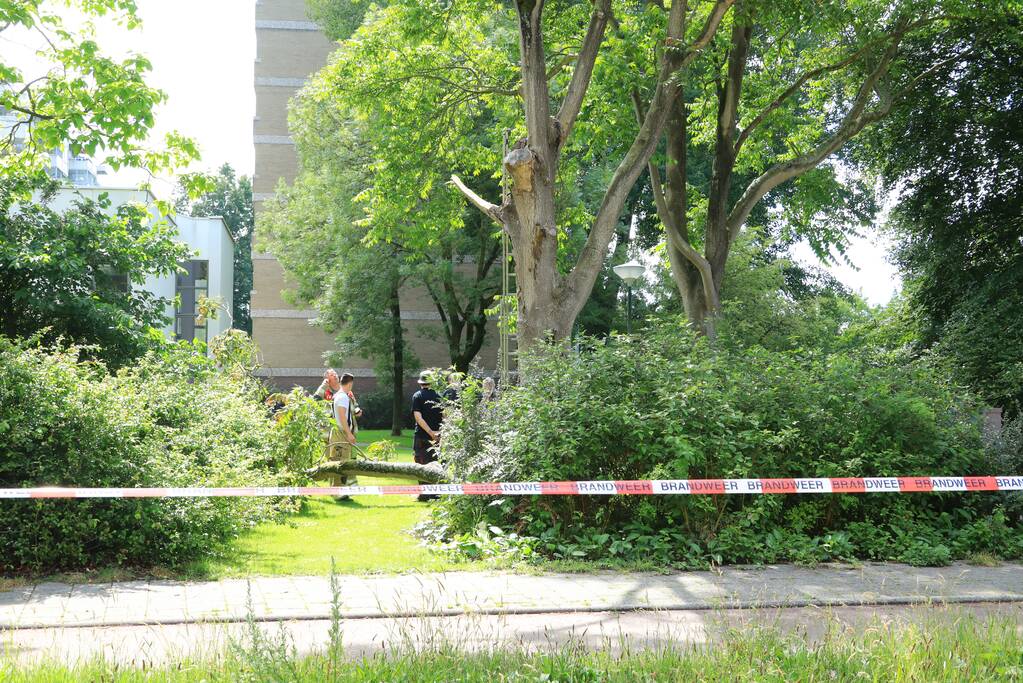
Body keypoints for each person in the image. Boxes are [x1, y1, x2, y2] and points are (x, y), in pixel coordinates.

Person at [325, 372, 359, 500]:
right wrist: (349, 434)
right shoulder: (343, 397)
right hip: (341, 433)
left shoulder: (337, 395)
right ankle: (338, 492)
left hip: (337, 432)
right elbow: (342, 416)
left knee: (336, 461)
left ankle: (337, 490)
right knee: (340, 462)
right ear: (350, 383)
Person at [411, 369, 444, 501]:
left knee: (421, 463)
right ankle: (436, 493)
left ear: (421, 383)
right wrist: (438, 433)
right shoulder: (440, 396)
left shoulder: (417, 396)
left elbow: (418, 418)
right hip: (438, 436)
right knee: (437, 463)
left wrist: (429, 432)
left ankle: (424, 494)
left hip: (422, 436)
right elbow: (446, 416)